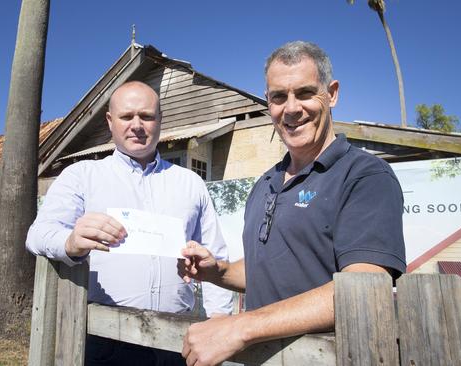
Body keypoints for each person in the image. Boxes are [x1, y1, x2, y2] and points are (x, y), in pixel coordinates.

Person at [179, 41, 407, 366]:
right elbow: (268, 268)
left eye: (304, 93)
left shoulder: (365, 176)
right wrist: (218, 271)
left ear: (332, 93)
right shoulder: (265, 183)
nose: (291, 108)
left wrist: (241, 327)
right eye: (278, 97)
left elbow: (364, 288)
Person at [26, 80, 232, 366]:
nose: (137, 125)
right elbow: (38, 235)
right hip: (106, 338)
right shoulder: (82, 176)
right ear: (110, 121)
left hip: (177, 341)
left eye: (146, 116)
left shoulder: (190, 183)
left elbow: (215, 255)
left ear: (160, 120)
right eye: (126, 116)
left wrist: (219, 321)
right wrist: (71, 242)